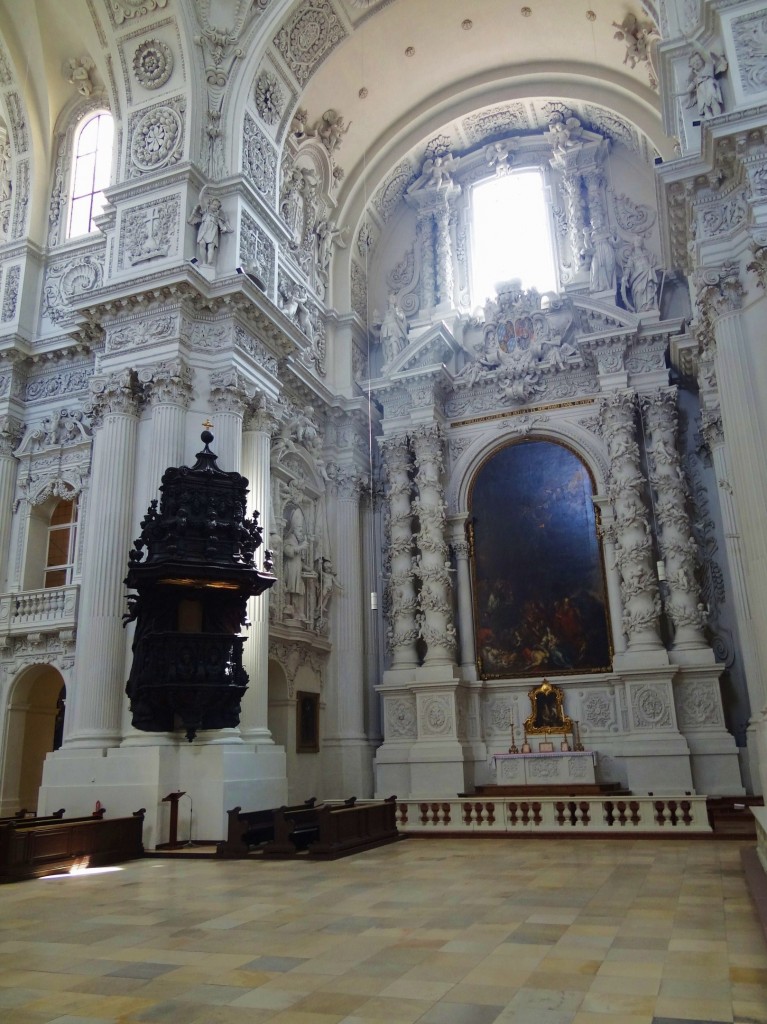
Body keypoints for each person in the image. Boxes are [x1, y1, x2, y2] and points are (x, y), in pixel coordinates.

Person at [188, 196, 232, 266]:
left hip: (213, 231)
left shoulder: (217, 217)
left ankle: (209, 261)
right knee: (202, 243)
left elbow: (222, 225)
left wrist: (224, 228)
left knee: (211, 246)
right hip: (204, 230)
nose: (215, 207)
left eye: (217, 206)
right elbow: (200, 199)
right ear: (210, 204)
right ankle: (204, 262)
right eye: (214, 204)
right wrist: (203, 190)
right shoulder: (205, 212)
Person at [622, 234, 659, 312]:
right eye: (636, 240)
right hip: (637, 277)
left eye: (640, 240)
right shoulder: (632, 257)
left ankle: (650, 306)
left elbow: (653, 264)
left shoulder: (647, 254)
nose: (638, 242)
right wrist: (625, 277)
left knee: (649, 286)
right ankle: (641, 309)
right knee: (639, 290)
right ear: (633, 243)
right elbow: (628, 268)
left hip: (647, 273)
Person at [283, 505, 309, 602]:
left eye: (301, 528)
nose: (301, 530)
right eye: (299, 527)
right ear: (293, 528)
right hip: (290, 567)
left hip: (296, 568)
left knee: (297, 589)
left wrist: (305, 567)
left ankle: (294, 610)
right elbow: (287, 551)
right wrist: (300, 547)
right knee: (289, 589)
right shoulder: (289, 538)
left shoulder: (297, 540)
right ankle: (287, 607)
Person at [378, 292, 409, 364]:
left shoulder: (397, 309)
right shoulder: (386, 312)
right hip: (386, 330)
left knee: (394, 342)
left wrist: (396, 312)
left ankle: (395, 357)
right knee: (387, 345)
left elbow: (401, 317)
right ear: (388, 300)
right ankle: (389, 358)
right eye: (391, 298)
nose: (393, 299)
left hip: (395, 330)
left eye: (394, 298)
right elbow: (383, 321)